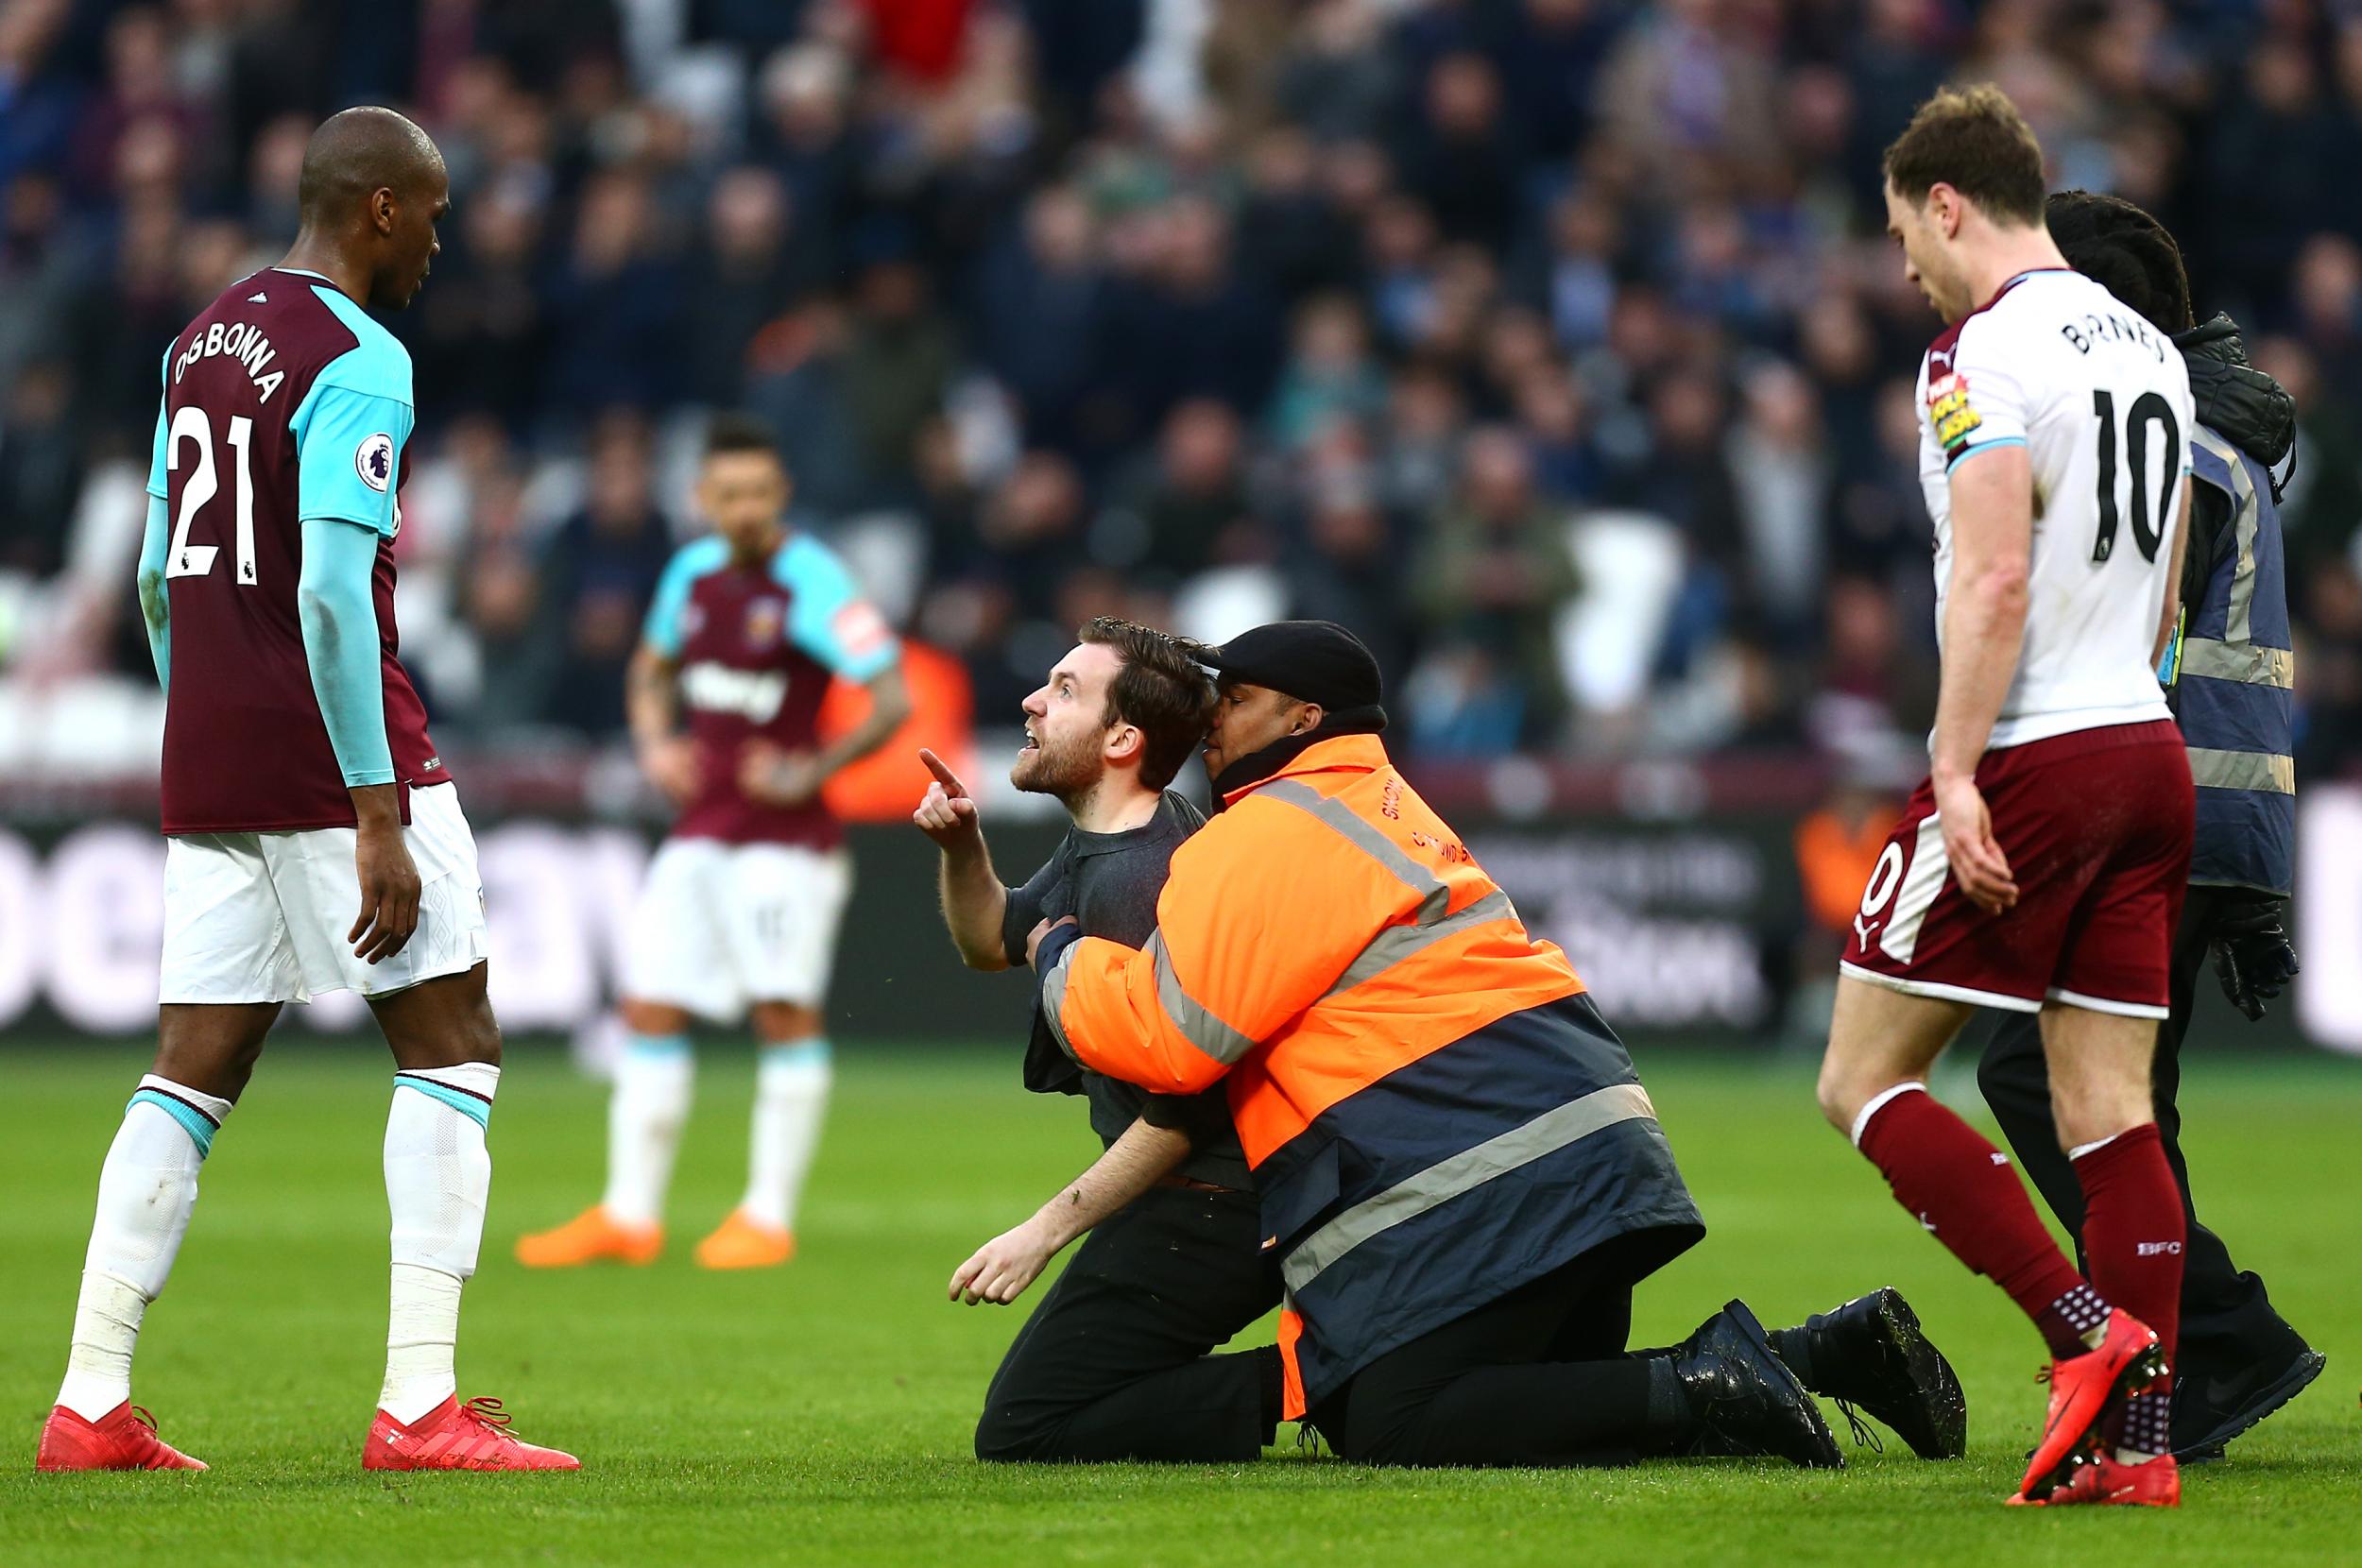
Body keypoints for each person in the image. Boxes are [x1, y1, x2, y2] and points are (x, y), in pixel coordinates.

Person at [1026, 619, 1965, 1470]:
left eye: (1236, 698)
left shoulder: (1267, 829)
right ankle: (1830, 1352)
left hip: (1488, 1172)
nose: (1214, 716)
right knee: (1528, 1399)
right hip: (1588, 1146)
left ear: (1301, 714)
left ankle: (1699, 1384)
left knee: (1394, 1424)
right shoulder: (1381, 802)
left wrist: (1060, 954)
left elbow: (1172, 1041)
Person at [38, 108, 575, 1474]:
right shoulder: (360, 354)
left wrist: (204, 717)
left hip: (210, 752)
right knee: (452, 1043)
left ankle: (91, 1401)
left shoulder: (198, 339)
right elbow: (335, 595)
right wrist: (377, 809)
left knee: (193, 1068)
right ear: (380, 210)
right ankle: (419, 1408)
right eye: (435, 215)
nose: (442, 242)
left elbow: (161, 576)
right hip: (334, 753)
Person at [1813, 87, 2197, 1508]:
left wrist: (1960, 770)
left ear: (1948, 203)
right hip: (2146, 747)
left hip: (2036, 749)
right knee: (2112, 1117)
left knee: (1861, 1076)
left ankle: (2086, 1339)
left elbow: (1990, 571)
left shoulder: (1976, 354)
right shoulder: (2151, 346)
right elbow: (2165, 583)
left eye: (1903, 227)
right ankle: (2142, 1451)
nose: (1902, 260)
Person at [1972, 190, 2322, 1460]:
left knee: (2041, 1082)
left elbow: (2091, 630)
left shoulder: (2163, 451)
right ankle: (2176, 1369)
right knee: (2123, 1108)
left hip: (2152, 815)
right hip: (2218, 816)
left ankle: (2214, 1344)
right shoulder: (2218, 441)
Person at [516, 415, 910, 1271]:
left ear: (781, 496)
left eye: (759, 493)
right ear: (701, 498)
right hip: (701, 830)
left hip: (785, 843)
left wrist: (815, 770)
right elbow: (650, 672)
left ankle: (767, 1216)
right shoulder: (689, 574)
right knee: (650, 1004)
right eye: (727, 494)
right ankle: (629, 1214)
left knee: (782, 1010)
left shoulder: (811, 579)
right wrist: (657, 742)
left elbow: (890, 699)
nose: (743, 509)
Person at [914, 617, 1282, 1462]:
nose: (1032, 701)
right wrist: (963, 845)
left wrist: (1043, 1230)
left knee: (1027, 1429)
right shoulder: (1117, 837)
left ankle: (1316, 1377)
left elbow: (1186, 1109)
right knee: (1043, 1415)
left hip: (1216, 1202)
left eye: (1065, 690)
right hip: (1203, 1193)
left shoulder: (1140, 877)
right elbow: (991, 941)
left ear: (1122, 738)